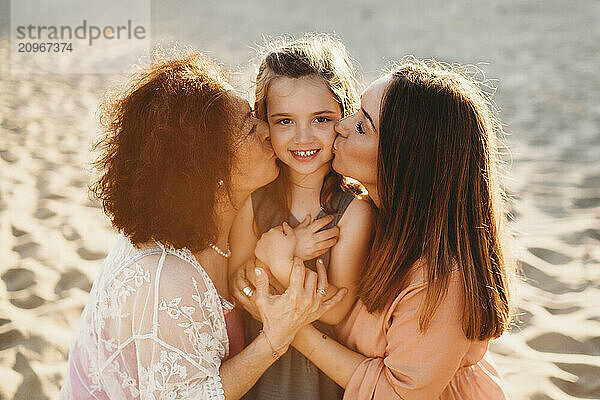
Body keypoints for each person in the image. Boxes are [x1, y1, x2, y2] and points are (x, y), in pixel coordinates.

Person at [59, 48, 346, 400]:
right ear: (210, 169)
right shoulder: (165, 275)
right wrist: (273, 341)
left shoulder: (223, 224)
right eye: (248, 126)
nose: (267, 130)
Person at [233, 58, 513, 399]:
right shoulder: (379, 217)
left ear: (403, 159)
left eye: (363, 126)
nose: (341, 126)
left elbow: (394, 395)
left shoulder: (441, 281)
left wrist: (286, 325)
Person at [229, 34, 375, 400]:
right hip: (257, 366)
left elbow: (337, 308)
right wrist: (271, 253)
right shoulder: (255, 199)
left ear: (344, 116)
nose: (303, 137)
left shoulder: (352, 211)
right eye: (284, 121)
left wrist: (279, 260)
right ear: (264, 122)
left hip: (316, 376)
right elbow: (237, 283)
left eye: (321, 119)